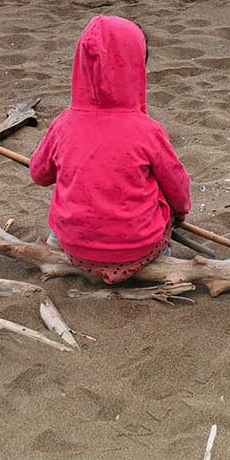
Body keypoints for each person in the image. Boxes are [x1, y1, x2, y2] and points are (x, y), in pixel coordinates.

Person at [30, 15, 190, 283]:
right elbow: (178, 188)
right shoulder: (148, 130)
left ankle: (61, 241)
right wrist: (180, 212)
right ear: (136, 67)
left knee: (67, 199)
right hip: (137, 247)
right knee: (159, 196)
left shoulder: (63, 124)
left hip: (76, 247)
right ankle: (160, 254)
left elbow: (39, 174)